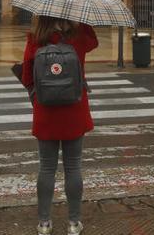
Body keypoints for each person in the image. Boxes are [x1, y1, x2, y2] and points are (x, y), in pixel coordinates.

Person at [21, 16, 98, 235]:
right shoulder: (78, 37)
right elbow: (94, 42)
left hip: (46, 113)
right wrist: (82, 20)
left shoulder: (35, 39)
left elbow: (27, 77)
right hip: (74, 111)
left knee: (46, 167)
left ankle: (44, 224)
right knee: (73, 166)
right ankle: (74, 224)